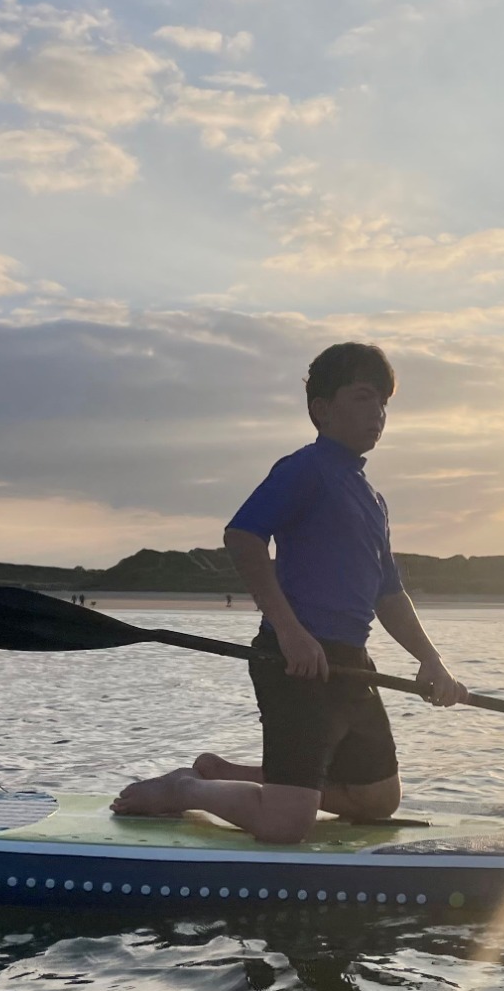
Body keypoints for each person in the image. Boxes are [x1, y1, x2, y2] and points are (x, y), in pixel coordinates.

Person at [112, 342, 467, 843]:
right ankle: (182, 790)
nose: (379, 413)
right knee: (286, 825)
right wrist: (290, 632)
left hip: (349, 665)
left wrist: (432, 661)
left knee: (378, 800)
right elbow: (243, 536)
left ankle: (230, 776)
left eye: (384, 403)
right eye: (364, 398)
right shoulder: (306, 468)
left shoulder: (372, 498)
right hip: (294, 663)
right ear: (321, 409)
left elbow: (389, 593)